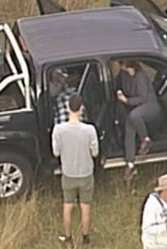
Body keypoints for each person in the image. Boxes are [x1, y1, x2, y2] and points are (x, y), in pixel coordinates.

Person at [52, 93, 99, 246]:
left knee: (68, 205)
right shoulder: (90, 130)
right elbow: (95, 152)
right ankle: (85, 238)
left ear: (67, 108)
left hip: (68, 174)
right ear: (81, 109)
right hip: (86, 173)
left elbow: (56, 152)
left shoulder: (58, 130)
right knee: (85, 207)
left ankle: (68, 238)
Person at [116, 60, 161, 181]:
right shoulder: (123, 75)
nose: (120, 67)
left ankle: (145, 139)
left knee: (134, 116)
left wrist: (127, 101)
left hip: (150, 106)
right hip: (135, 108)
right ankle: (130, 164)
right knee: (129, 124)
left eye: (122, 64)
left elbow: (142, 98)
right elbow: (119, 85)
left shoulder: (140, 76)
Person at [141, 173, 167, 249]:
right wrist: (165, 227)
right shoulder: (152, 204)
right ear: (166, 190)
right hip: (155, 246)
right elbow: (147, 229)